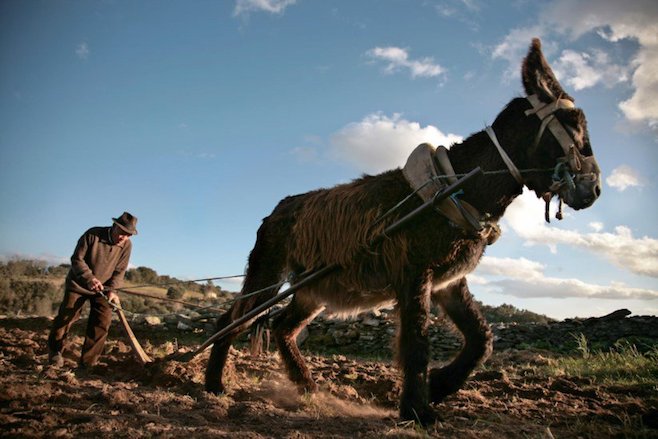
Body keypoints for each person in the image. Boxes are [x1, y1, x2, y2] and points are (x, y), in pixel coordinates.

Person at [47, 212, 138, 368]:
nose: (124, 237)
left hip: (104, 289)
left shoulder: (126, 246)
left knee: (102, 323)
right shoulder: (93, 234)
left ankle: (88, 363)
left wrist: (113, 290)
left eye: (128, 235)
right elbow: (77, 259)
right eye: (122, 232)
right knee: (66, 318)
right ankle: (55, 353)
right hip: (78, 284)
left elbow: (120, 271)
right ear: (115, 226)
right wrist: (89, 279)